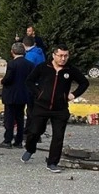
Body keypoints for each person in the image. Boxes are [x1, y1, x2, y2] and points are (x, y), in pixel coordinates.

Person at [20, 44, 89, 173]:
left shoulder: (70, 70)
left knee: (58, 136)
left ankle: (52, 162)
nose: (63, 58)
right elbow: (29, 81)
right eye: (60, 55)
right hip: (41, 106)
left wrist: (73, 95)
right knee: (34, 131)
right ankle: (30, 148)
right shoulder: (43, 67)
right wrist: (39, 94)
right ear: (54, 55)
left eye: (66, 56)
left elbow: (84, 83)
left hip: (60, 108)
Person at [0, 42, 33, 149]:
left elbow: (8, 79)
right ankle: (19, 141)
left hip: (11, 95)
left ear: (12, 52)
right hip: (23, 94)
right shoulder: (29, 64)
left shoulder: (12, 64)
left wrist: (2, 81)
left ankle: (7, 140)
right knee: (20, 117)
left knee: (9, 118)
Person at [22, 36, 46, 142]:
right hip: (40, 84)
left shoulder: (30, 56)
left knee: (31, 110)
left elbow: (27, 71)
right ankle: (35, 133)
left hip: (32, 85)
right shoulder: (40, 53)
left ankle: (30, 133)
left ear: (24, 45)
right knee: (35, 109)